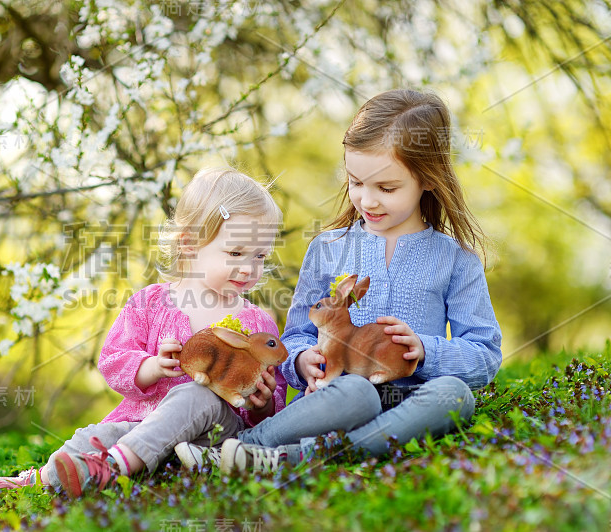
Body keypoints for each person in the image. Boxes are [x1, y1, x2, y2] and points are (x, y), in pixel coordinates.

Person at [177, 89, 503, 473]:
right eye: (356, 182)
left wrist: (425, 351)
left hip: (410, 399)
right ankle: (243, 447)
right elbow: (295, 335)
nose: (368, 200)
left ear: (427, 179)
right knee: (359, 392)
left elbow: (485, 354)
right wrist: (302, 362)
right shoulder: (328, 248)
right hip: (338, 397)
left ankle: (290, 457)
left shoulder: (455, 259)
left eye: (387, 188)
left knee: (456, 396)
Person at [0, 167, 287, 501]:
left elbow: (270, 405)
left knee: (198, 395)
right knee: (98, 434)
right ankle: (34, 483)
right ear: (191, 243)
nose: (250, 268)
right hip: (139, 427)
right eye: (235, 253)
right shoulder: (150, 303)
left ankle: (112, 469)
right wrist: (151, 367)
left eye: (260, 255)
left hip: (211, 440)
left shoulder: (256, 323)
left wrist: (262, 403)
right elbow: (113, 360)